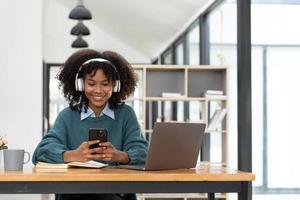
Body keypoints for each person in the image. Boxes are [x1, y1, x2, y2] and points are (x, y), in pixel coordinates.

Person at [32, 49, 148, 200]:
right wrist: (73, 155)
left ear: (115, 85)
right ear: (80, 84)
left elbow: (143, 153)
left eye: (105, 84)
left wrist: (120, 156)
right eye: (91, 83)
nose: (98, 90)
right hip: (75, 193)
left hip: (116, 193)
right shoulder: (67, 116)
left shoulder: (126, 114)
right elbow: (41, 153)